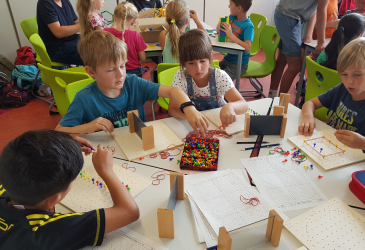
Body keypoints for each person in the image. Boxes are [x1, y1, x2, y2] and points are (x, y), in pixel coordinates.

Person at [0, 130, 139, 249]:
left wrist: (64, 146)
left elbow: (26, 154)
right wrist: (106, 170)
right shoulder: (43, 232)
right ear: (54, 200)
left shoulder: (9, 177)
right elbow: (129, 211)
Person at [55, 31, 208, 137]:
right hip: (109, 154)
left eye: (122, 66)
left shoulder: (133, 83)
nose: (121, 74)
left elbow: (173, 91)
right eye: (110, 70)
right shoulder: (84, 98)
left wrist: (189, 108)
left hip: (138, 145)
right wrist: (87, 128)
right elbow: (60, 131)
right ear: (91, 72)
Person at [299, 37, 365, 157]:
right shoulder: (342, 89)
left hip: (355, 162)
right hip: (331, 151)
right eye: (344, 74)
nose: (349, 81)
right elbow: (311, 103)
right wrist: (307, 117)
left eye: (357, 75)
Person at [168, 30, 248, 128]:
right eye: (191, 63)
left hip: (218, 124)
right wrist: (190, 116)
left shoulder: (220, 76)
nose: (198, 68)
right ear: (182, 61)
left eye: (202, 61)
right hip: (193, 126)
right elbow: (172, 108)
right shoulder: (181, 76)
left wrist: (230, 106)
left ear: (210, 56)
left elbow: (243, 104)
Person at [269, 0, 329, 97]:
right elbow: (321, 9)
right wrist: (321, 42)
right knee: (295, 66)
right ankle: (279, 104)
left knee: (282, 59)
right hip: (290, 18)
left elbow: (314, 8)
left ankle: (272, 96)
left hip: (284, 14)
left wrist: (309, 34)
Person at [105, 2, 147, 77]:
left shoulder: (106, 33)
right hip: (134, 72)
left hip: (114, 72)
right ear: (134, 21)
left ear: (114, 18)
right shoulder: (135, 35)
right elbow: (143, 57)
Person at [36, 0, 83, 65]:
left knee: (98, 44)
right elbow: (58, 32)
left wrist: (90, 21)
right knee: (94, 56)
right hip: (56, 48)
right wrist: (83, 25)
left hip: (71, 40)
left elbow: (76, 22)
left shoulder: (65, 1)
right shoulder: (45, 3)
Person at [217, 0, 254, 82]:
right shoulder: (232, 18)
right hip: (227, 60)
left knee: (219, 81)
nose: (228, 6)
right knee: (209, 72)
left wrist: (231, 36)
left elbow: (247, 47)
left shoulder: (248, 26)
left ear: (239, 8)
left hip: (238, 64)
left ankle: (225, 94)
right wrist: (219, 25)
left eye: (231, 4)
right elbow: (219, 32)